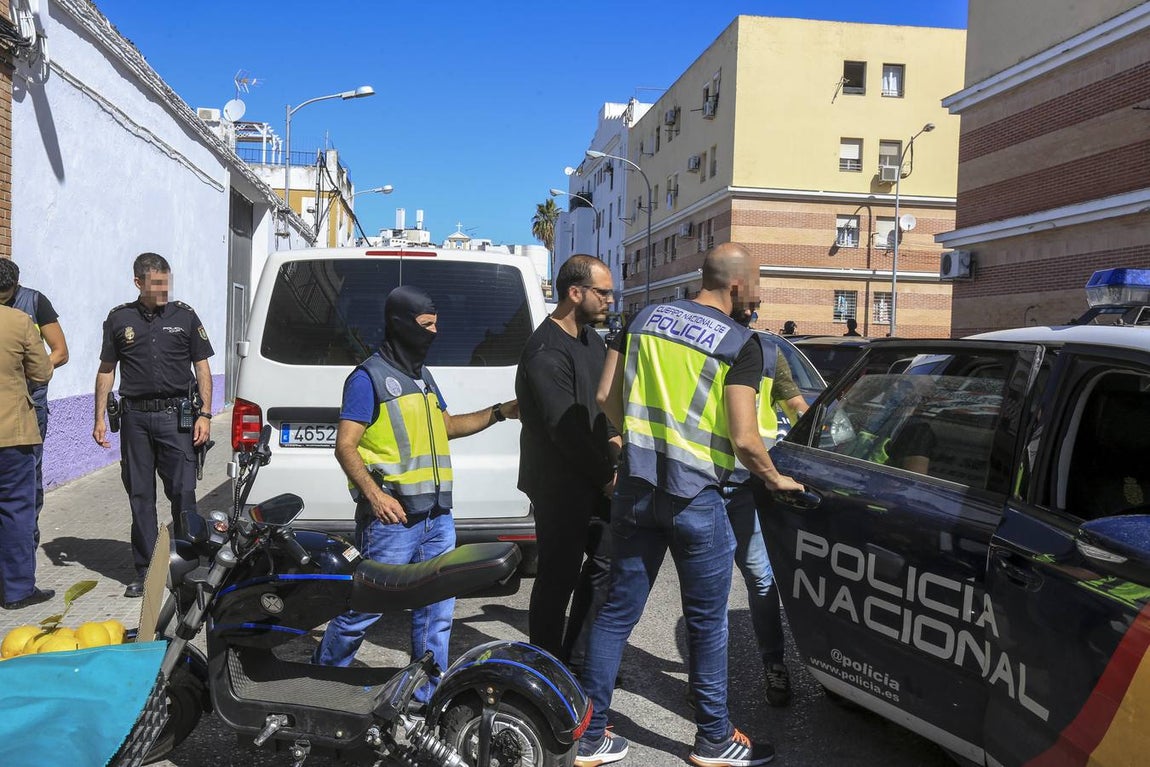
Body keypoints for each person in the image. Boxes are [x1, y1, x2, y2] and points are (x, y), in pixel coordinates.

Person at [578, 242, 803, 766]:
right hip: (696, 498)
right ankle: (713, 739)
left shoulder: (643, 318)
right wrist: (774, 480)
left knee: (615, 615)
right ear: (738, 287)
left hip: (635, 489)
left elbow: (607, 397)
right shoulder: (741, 343)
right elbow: (747, 439)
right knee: (707, 622)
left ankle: (589, 737)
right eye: (757, 291)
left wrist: (636, 442)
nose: (756, 301)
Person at [313, 285, 520, 705]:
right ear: (400, 324)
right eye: (426, 325)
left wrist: (500, 412)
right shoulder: (367, 378)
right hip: (394, 522)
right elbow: (344, 445)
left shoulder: (423, 377)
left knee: (437, 613)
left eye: (436, 324)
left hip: (437, 518)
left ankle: (425, 698)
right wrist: (373, 495)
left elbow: (446, 426)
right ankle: (321, 682)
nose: (434, 332)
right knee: (364, 608)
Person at [517, 255, 620, 675]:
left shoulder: (591, 342)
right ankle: (543, 665)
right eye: (603, 292)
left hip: (597, 478)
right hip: (559, 485)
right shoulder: (545, 350)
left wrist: (616, 441)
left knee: (605, 566)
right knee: (557, 577)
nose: (610, 300)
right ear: (575, 293)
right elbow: (564, 429)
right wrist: (605, 476)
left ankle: (578, 662)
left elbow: (603, 409)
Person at [93, 253, 214, 598]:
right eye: (156, 283)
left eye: (166, 282)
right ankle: (147, 570)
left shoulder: (185, 316)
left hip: (177, 416)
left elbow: (201, 367)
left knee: (183, 492)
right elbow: (106, 369)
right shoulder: (119, 319)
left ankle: (188, 567)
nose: (164, 289)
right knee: (141, 495)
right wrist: (99, 417)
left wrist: (205, 414)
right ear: (138, 283)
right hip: (135, 419)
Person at [725, 309, 809, 707]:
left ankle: (773, 664)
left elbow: (795, 405)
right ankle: (706, 680)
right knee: (707, 586)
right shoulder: (703, 347)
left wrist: (829, 434)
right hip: (703, 480)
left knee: (760, 578)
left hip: (747, 482)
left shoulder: (768, 351)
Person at [0, 259, 69, 542]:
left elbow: (60, 351)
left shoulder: (35, 302)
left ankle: (27, 540)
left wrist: (33, 369)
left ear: (15, 286)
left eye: (5, 298)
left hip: (29, 404)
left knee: (28, 478)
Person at [0, 301, 54, 609]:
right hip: (11, 434)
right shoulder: (18, 321)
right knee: (16, 509)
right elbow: (41, 371)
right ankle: (17, 590)